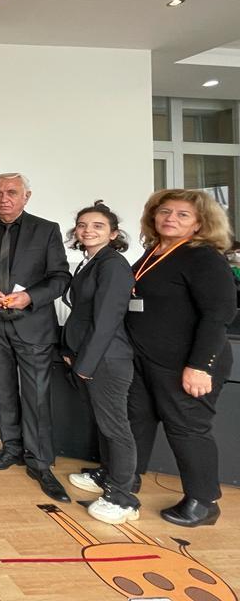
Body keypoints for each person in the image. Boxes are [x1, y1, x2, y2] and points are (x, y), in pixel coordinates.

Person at [0, 172, 71, 502]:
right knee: (2, 390)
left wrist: (30, 296)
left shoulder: (46, 229)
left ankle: (39, 461)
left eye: (11, 192)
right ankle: (11, 448)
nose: (3, 198)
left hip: (32, 323)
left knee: (36, 395)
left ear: (26, 196)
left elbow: (60, 277)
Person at [126, 189, 236, 527]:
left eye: (182, 214)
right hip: (146, 359)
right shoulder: (153, 252)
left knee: (187, 429)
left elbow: (218, 315)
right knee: (137, 420)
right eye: (165, 211)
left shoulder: (203, 257)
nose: (170, 218)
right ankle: (126, 479)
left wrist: (201, 366)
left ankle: (203, 502)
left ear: (200, 223)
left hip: (186, 363)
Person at [60, 202, 139, 524]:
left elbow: (107, 320)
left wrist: (86, 365)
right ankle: (107, 476)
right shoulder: (91, 262)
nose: (88, 230)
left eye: (97, 226)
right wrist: (71, 351)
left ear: (114, 233)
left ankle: (123, 497)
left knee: (115, 428)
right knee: (104, 425)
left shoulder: (113, 265)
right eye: (82, 225)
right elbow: (82, 314)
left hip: (106, 360)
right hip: (90, 356)